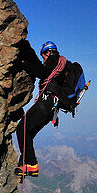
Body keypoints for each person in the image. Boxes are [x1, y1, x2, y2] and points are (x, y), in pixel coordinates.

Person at [13, 39, 68, 177]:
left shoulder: (53, 57)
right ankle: (26, 163)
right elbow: (45, 71)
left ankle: (31, 165)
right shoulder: (62, 64)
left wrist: (23, 63)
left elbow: (42, 72)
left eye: (43, 55)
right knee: (28, 133)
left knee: (22, 128)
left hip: (46, 103)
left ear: (47, 52)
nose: (43, 59)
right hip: (52, 108)